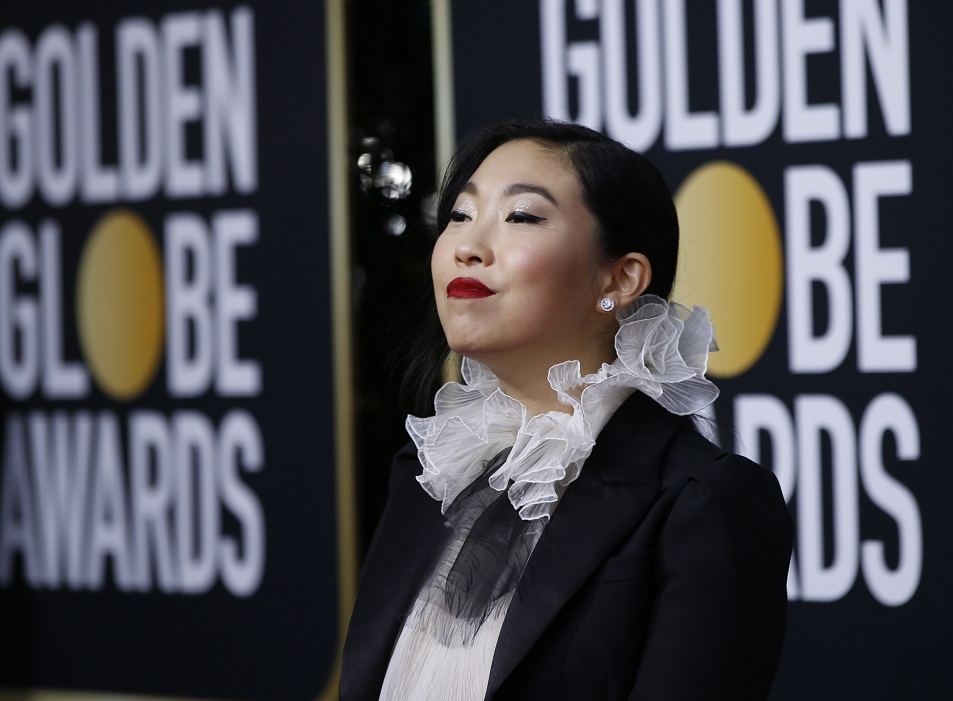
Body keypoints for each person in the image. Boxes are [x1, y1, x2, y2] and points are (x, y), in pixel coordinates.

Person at [340, 118, 793, 700]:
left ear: (622, 277)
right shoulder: (426, 473)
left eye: (521, 216)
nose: (468, 247)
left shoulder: (700, 502)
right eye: (459, 215)